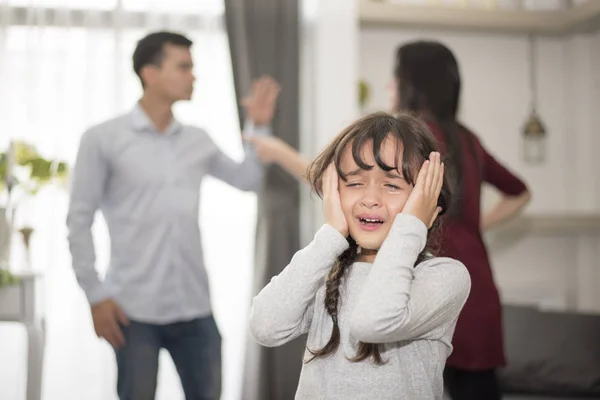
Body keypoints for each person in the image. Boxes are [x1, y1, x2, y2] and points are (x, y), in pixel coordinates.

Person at [66, 31, 281, 400]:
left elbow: (247, 180)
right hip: (132, 311)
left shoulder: (197, 139)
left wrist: (258, 126)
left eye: (192, 67)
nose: (193, 76)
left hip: (195, 308)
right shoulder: (103, 138)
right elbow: (79, 221)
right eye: (183, 67)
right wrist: (95, 295)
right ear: (149, 72)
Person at [248, 112, 471, 400]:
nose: (370, 198)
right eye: (354, 183)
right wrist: (331, 234)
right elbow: (265, 326)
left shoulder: (444, 276)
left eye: (392, 185)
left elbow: (373, 321)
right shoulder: (324, 271)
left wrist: (412, 224)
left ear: (426, 203)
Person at [391, 40, 532, 400]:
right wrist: (474, 225)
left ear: (411, 84)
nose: (388, 87)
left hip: (431, 288)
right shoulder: (468, 140)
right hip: (476, 285)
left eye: (394, 77)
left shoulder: (410, 140)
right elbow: (520, 192)